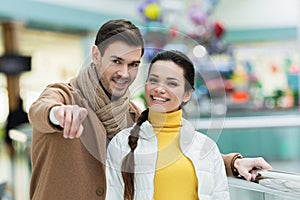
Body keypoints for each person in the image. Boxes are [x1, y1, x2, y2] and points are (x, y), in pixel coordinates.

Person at [28, 19, 272, 200]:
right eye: (116, 61)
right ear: (95, 54)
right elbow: (40, 110)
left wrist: (231, 163)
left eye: (133, 64)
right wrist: (58, 115)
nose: (125, 73)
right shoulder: (65, 95)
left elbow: (165, 152)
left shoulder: (131, 116)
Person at [106, 50, 230, 199]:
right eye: (153, 80)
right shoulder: (121, 144)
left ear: (187, 93)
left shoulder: (207, 148)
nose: (159, 89)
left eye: (171, 83)